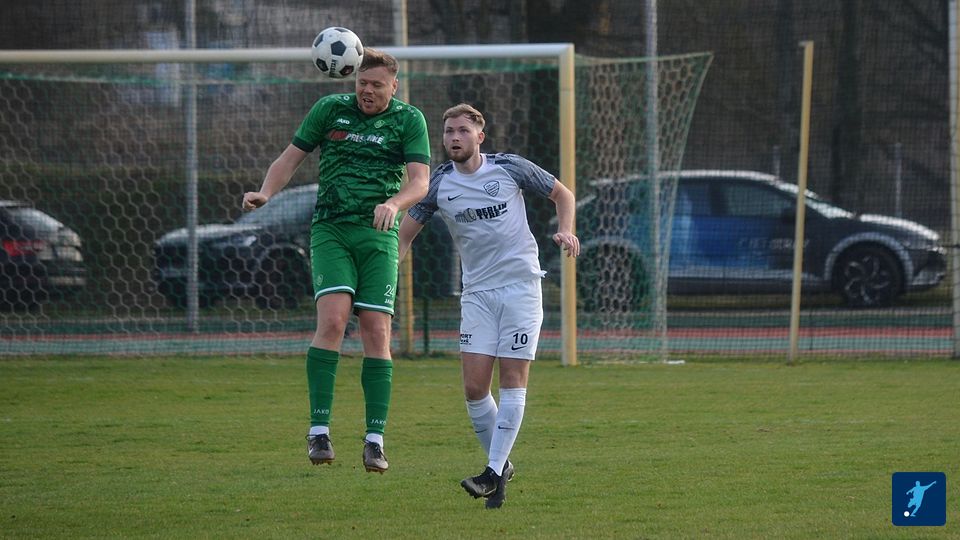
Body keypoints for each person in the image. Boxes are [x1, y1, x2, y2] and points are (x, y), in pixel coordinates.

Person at [242, 48, 430, 474]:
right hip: (332, 230)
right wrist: (265, 193)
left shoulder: (409, 120)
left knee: (376, 331)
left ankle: (375, 440)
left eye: (376, 85)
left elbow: (420, 182)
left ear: (394, 86)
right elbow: (289, 159)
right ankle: (318, 431)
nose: (367, 91)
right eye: (362, 83)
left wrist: (394, 203)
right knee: (332, 321)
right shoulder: (329, 109)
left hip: (379, 235)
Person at [398, 103, 579, 508]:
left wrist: (566, 230)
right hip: (477, 294)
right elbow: (405, 234)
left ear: (480, 136)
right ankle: (502, 467)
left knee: (512, 379)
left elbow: (562, 193)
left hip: (520, 288)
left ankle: (492, 472)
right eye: (448, 131)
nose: (454, 137)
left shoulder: (509, 168)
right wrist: (385, 278)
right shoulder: (438, 184)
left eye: (463, 130)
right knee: (475, 388)